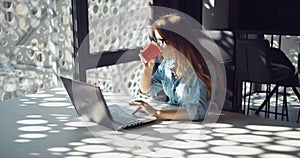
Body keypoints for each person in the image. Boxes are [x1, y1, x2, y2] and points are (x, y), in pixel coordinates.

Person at [131, 14, 213, 121]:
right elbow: (147, 90)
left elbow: (199, 110)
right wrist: (147, 69)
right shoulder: (167, 64)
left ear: (176, 41)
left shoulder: (200, 68)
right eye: (156, 41)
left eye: (161, 41)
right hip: (174, 121)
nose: (158, 46)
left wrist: (157, 113)